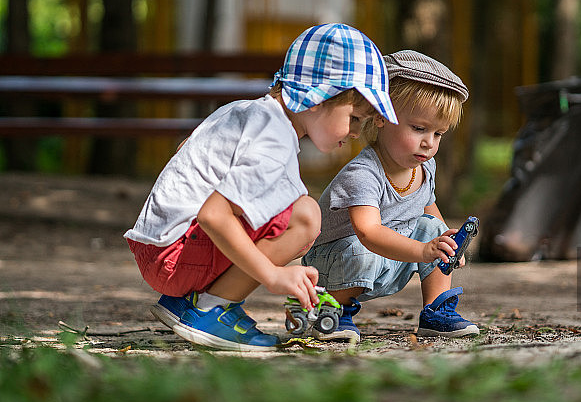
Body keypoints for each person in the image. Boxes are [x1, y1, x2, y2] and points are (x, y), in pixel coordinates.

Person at [124, 23, 398, 352]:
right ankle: (209, 309)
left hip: (159, 247)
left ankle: (188, 302)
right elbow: (214, 215)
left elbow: (187, 148)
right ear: (317, 98)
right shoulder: (275, 139)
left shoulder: (246, 110)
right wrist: (272, 275)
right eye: (354, 118)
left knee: (289, 204)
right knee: (305, 216)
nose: (356, 133)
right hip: (175, 257)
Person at [302, 50, 480, 342]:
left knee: (431, 228)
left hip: (388, 256)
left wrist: (445, 244)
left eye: (438, 134)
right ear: (382, 116)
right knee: (363, 250)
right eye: (419, 128)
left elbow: (426, 204)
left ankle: (436, 310)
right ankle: (332, 310)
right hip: (336, 263)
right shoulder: (363, 173)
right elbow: (368, 231)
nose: (429, 143)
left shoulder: (425, 166)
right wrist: (423, 251)